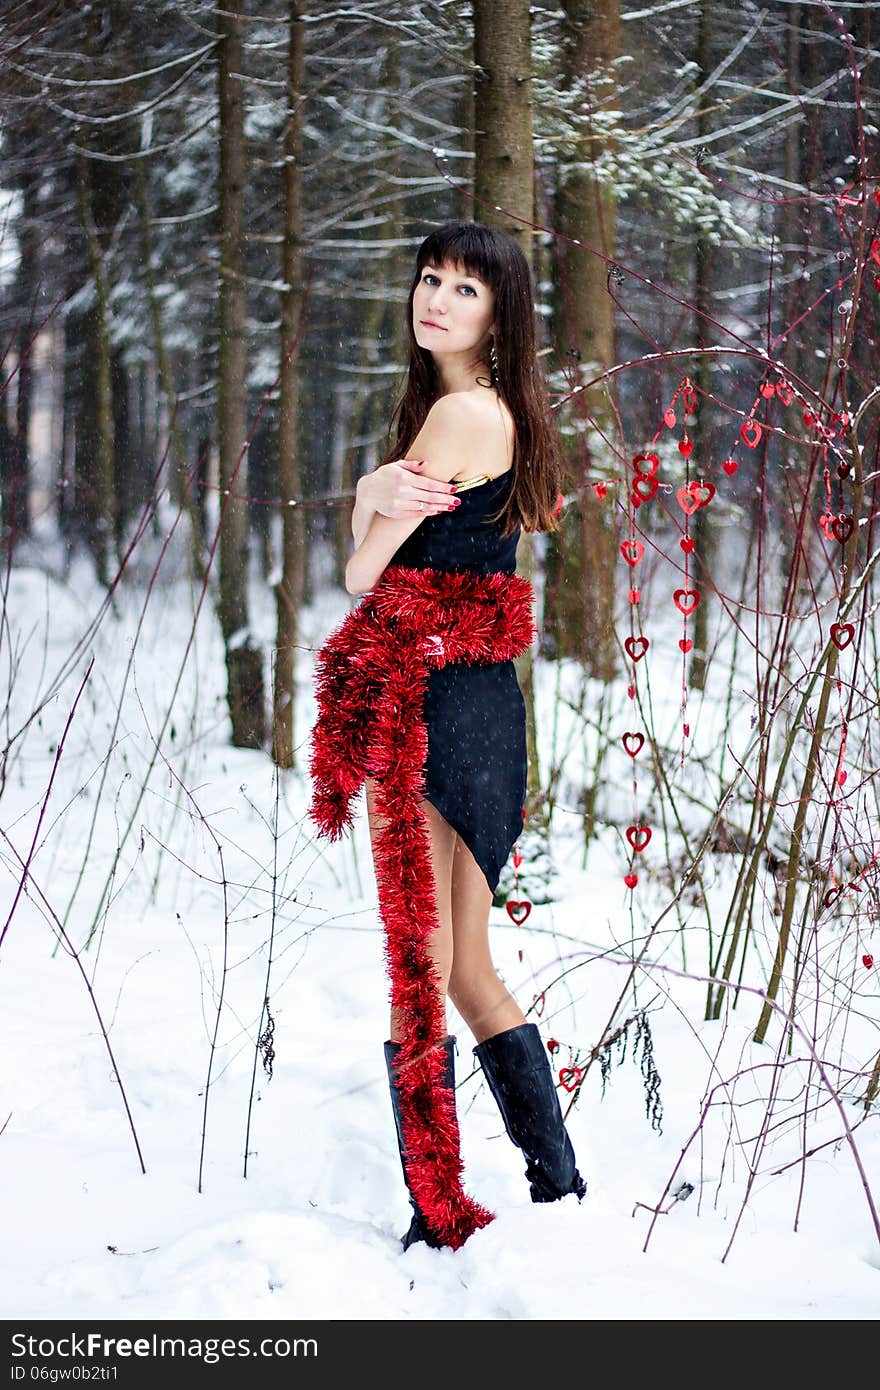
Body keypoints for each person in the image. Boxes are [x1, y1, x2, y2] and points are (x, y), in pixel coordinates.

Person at [308, 220, 586, 1252]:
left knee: (419, 966)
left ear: (498, 312)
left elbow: (360, 573)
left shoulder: (459, 415)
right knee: (462, 962)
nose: (436, 299)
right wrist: (377, 496)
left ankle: (438, 1206)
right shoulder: (497, 409)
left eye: (464, 289)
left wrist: (368, 495)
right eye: (429, 279)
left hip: (429, 705)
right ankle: (557, 1184)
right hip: (477, 698)